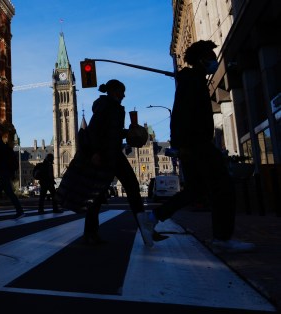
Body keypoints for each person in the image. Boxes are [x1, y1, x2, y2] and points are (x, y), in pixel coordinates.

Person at [142, 40, 255, 253]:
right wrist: (181, 145)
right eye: (211, 57)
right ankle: (222, 238)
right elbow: (181, 115)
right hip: (197, 145)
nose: (214, 60)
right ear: (202, 60)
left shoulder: (192, 80)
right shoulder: (192, 82)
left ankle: (151, 218)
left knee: (195, 190)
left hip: (192, 145)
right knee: (223, 187)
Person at [82, 79, 156, 246]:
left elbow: (111, 131)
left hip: (113, 152)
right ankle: (90, 233)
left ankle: (145, 228)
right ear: (115, 91)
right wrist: (95, 152)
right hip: (106, 154)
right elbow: (94, 130)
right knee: (102, 193)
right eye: (122, 92)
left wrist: (128, 133)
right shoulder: (106, 106)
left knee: (130, 187)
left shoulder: (111, 106)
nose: (124, 95)